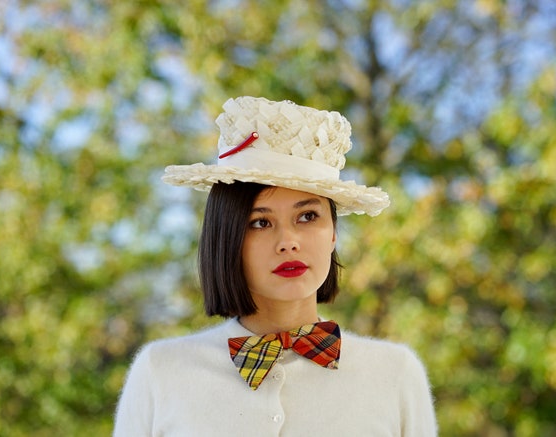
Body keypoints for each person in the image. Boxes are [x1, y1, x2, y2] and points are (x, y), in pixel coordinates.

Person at [113, 96, 437, 436]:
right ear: (227, 239)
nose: (289, 241)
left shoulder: (395, 374)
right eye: (260, 223)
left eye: (308, 216)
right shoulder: (161, 372)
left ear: (333, 235)